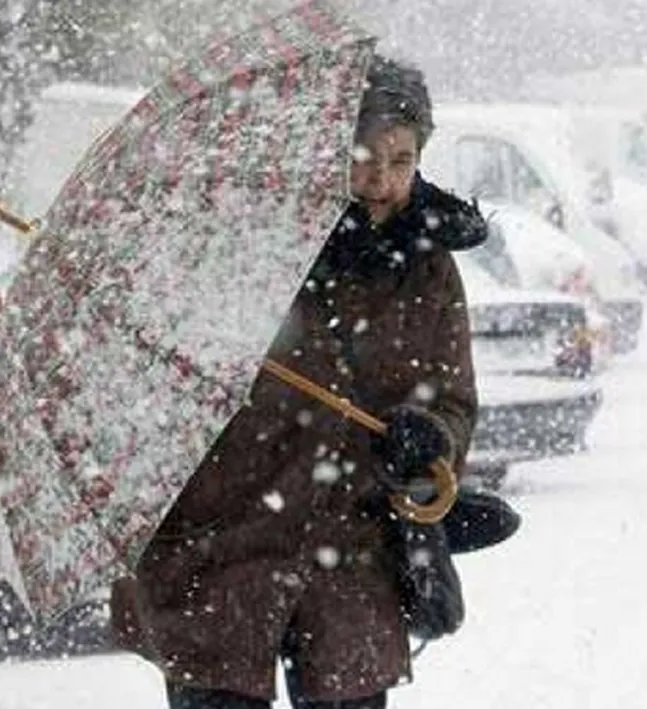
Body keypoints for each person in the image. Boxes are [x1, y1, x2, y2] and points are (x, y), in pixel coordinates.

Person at [110, 56, 487, 709]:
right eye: (364, 159)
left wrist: (429, 441)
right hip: (224, 542)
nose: (381, 180)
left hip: (353, 552)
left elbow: (452, 398)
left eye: (401, 160)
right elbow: (172, 378)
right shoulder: (246, 240)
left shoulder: (428, 266)